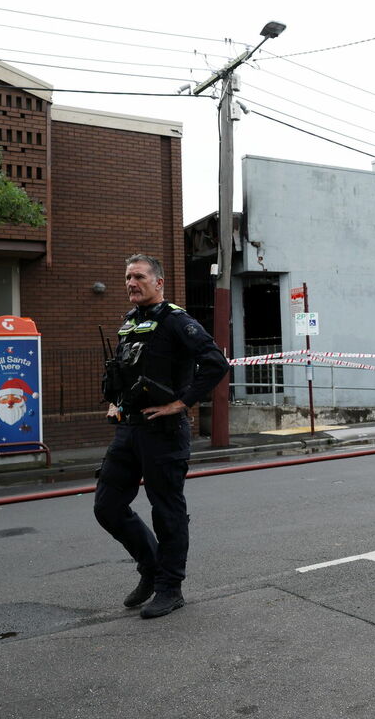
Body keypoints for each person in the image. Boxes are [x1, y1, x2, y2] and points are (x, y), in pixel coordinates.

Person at [94, 254, 229, 619]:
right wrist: (115, 402)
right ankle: (151, 568)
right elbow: (125, 371)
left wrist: (181, 403)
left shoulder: (176, 321)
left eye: (138, 276)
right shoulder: (131, 321)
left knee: (167, 511)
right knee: (106, 507)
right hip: (129, 428)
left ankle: (170, 588)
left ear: (159, 282)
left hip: (164, 432)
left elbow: (216, 363)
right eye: (126, 277)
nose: (130, 283)